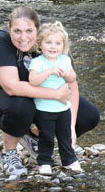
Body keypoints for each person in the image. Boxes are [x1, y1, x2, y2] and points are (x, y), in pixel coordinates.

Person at [0, 6, 100, 176]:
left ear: (38, 30)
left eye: (29, 31)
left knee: (88, 115)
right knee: (20, 105)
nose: (23, 37)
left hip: (39, 101)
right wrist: (56, 95)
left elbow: (72, 86)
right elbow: (12, 87)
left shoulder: (51, 43)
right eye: (17, 31)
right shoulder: (1, 41)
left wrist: (71, 127)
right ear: (9, 30)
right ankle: (9, 152)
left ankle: (32, 136)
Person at [29, 21, 82, 175]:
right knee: (47, 137)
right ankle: (44, 161)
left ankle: (70, 160)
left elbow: (73, 78)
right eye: (48, 42)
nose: (53, 47)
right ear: (40, 44)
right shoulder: (38, 62)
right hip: (44, 109)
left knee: (64, 136)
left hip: (63, 108)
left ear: (63, 45)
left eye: (57, 43)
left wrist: (66, 74)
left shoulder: (65, 60)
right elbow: (33, 80)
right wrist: (50, 71)